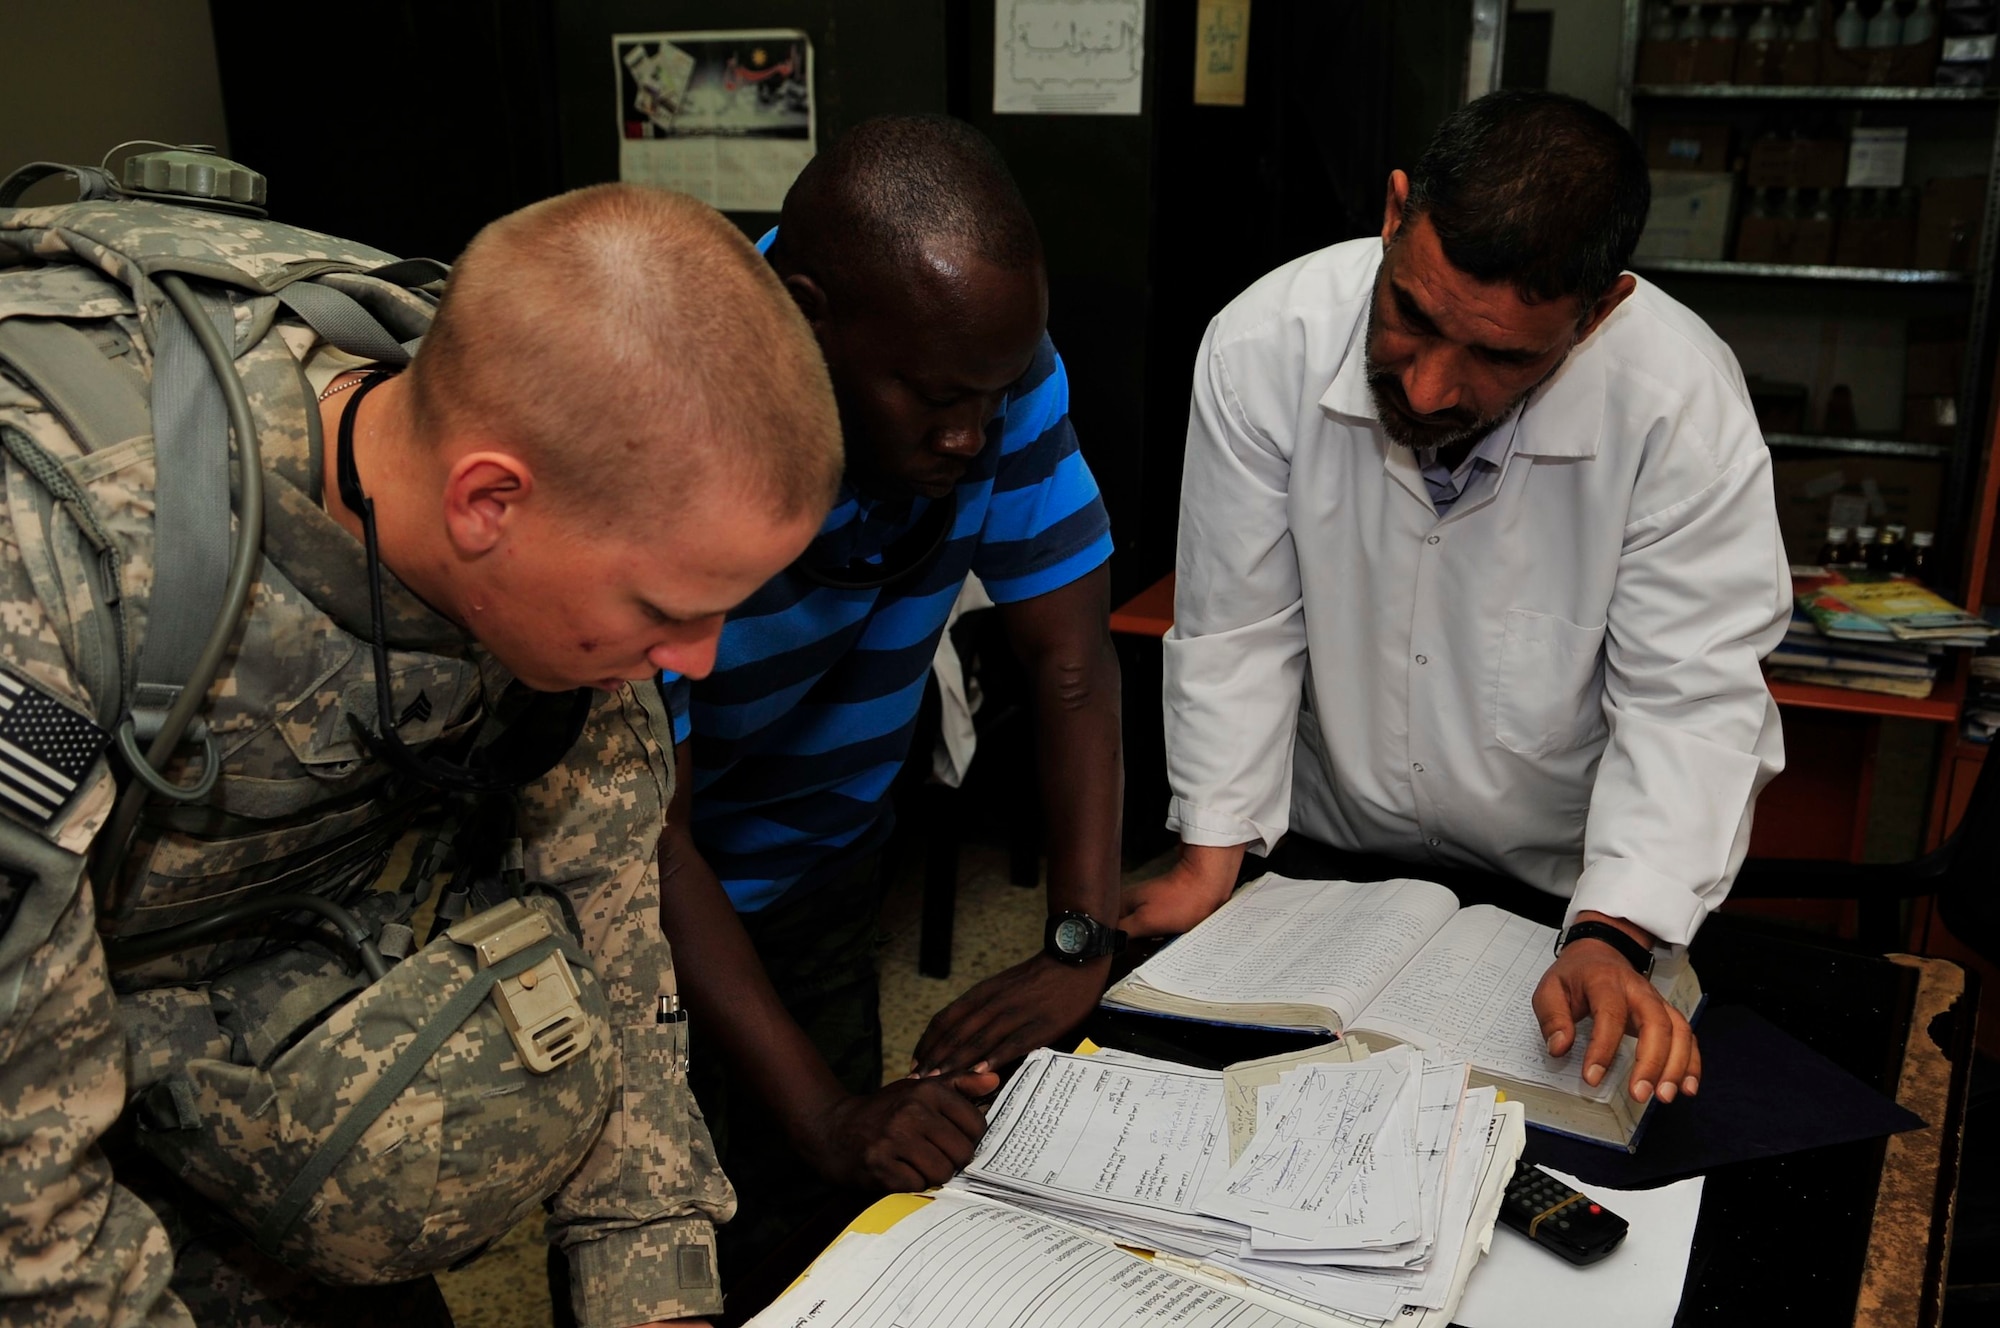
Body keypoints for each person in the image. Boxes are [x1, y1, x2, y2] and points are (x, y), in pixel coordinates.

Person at [0, 177, 841, 1328]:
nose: (697, 660)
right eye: (667, 607)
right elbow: (26, 1182)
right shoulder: (55, 570)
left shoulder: (576, 562)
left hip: (253, 1007)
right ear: (487, 500)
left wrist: (656, 1295)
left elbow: (613, 947)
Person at [1123, 91, 1790, 1106]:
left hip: (1563, 889)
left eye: (1500, 357)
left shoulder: (1677, 403)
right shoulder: (1264, 343)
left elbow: (1686, 700)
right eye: (1412, 319)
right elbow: (1240, 626)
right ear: (1393, 216)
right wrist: (1207, 856)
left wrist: (1613, 932)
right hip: (1327, 855)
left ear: (1600, 308)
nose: (1431, 389)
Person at [657, 114, 1122, 1267]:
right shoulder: (663, 416)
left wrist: (1074, 940)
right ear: (804, 314)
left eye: (996, 393)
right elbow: (637, 832)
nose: (971, 433)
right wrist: (819, 1113)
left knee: (816, 1224)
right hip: (634, 893)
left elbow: (1068, 664)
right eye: (933, 397)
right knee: (655, 1232)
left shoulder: (990, 373)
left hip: (824, 858)